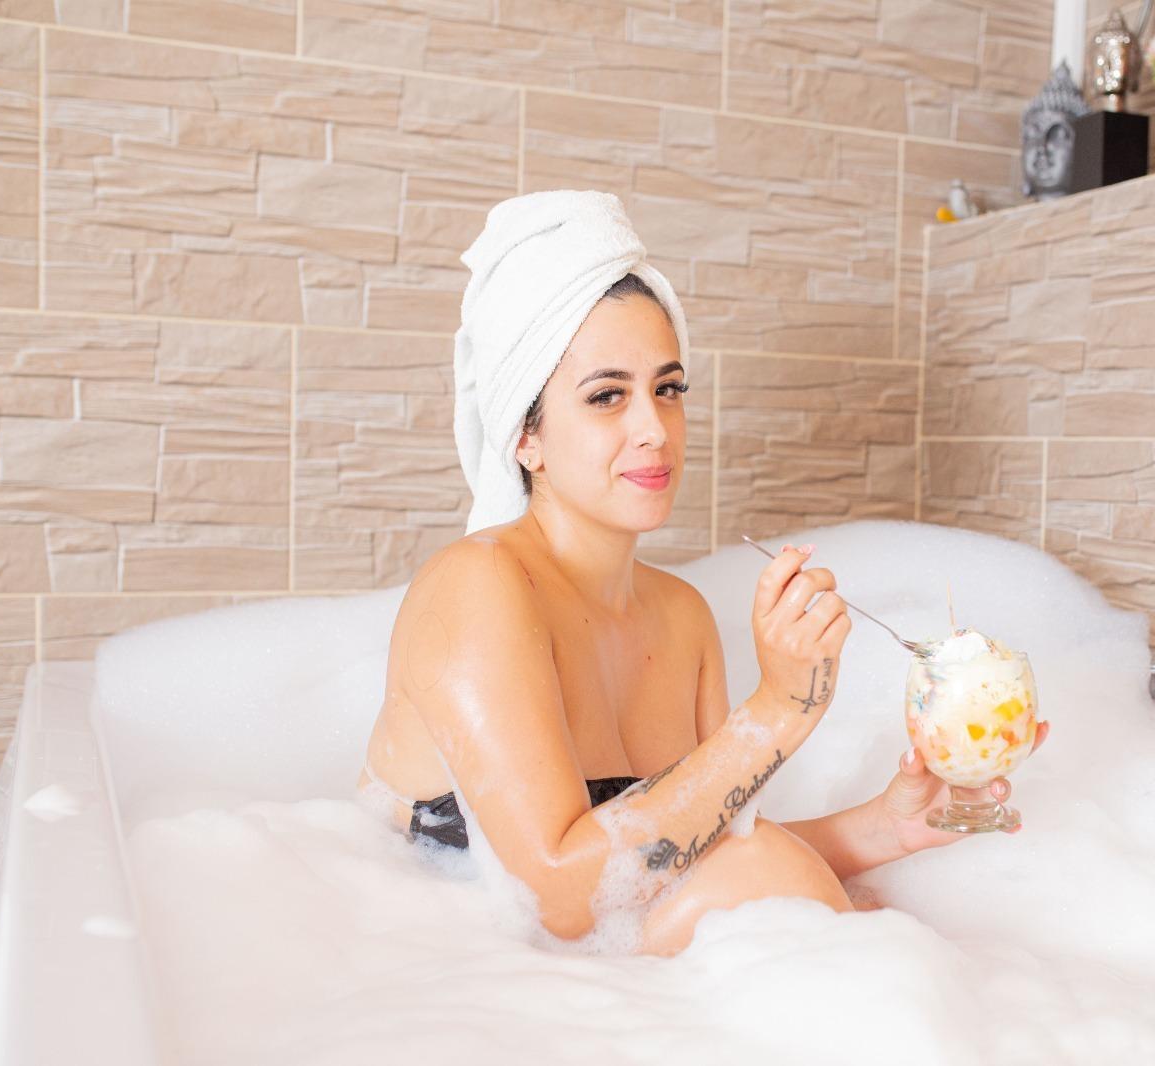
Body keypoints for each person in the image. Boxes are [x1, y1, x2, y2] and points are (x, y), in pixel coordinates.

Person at [357, 191, 1048, 957]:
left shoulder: (679, 617)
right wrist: (778, 710)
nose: (653, 429)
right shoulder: (476, 588)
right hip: (458, 979)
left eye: (668, 389)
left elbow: (688, 851)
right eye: (607, 397)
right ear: (526, 435)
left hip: (600, 985)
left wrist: (887, 827)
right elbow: (558, 895)